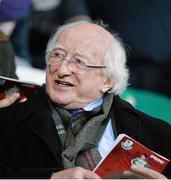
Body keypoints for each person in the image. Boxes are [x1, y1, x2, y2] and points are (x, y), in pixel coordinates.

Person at [0, 21, 170, 179]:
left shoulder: (158, 135)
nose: (63, 69)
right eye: (58, 55)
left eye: (79, 62)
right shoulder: (7, 121)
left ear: (107, 80)